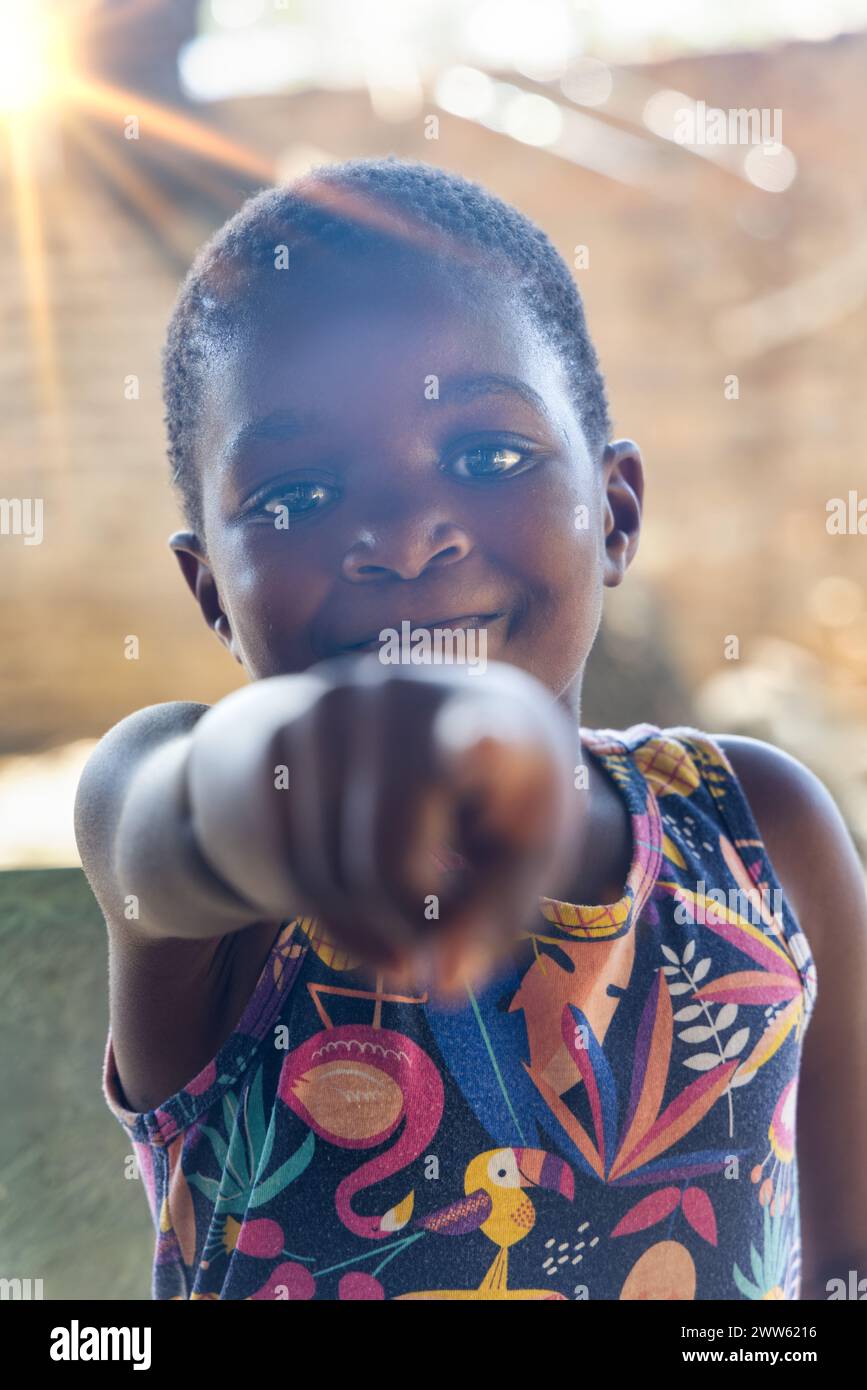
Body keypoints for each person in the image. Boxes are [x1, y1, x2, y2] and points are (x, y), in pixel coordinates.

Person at [75, 156, 867, 1301]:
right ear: (211, 593)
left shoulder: (762, 833)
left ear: (615, 514)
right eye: (296, 496)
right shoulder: (207, 848)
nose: (402, 536)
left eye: (488, 456)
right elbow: (173, 818)